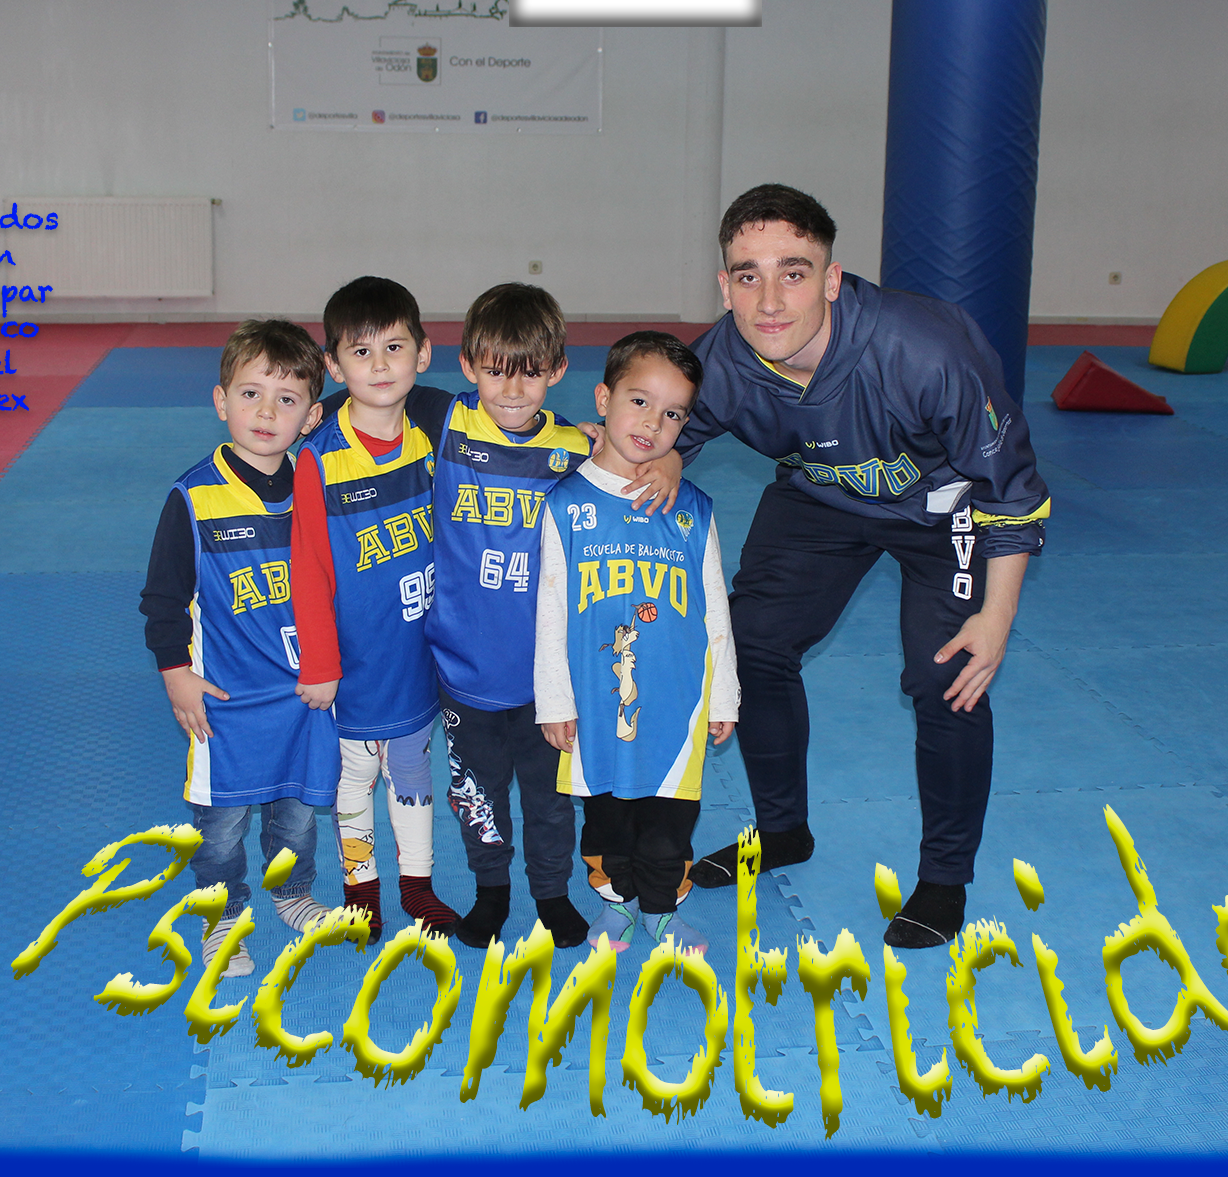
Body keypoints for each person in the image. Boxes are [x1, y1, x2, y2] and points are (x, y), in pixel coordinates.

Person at [658, 184, 1051, 949]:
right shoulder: (721, 360)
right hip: (823, 496)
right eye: (748, 276)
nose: (771, 300)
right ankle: (781, 831)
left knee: (947, 674)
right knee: (752, 641)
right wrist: (667, 457)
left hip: (946, 505)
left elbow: (1012, 489)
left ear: (832, 279)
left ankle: (944, 877)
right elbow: (662, 432)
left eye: (794, 272)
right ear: (725, 286)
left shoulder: (922, 352)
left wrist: (997, 615)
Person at [138, 319, 342, 980]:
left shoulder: (318, 489)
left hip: (305, 697)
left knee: (299, 813)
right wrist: (176, 674)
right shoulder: (193, 497)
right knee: (221, 824)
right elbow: (163, 599)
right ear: (221, 400)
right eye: (251, 394)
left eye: (287, 399)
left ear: (311, 417)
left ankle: (293, 892)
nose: (267, 413)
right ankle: (222, 911)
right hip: (225, 702)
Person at [535, 332, 739, 955]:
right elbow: (550, 612)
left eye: (673, 413)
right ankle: (616, 904)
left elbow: (716, 611)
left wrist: (724, 696)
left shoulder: (693, 509)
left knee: (670, 818)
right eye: (640, 401)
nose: (653, 423)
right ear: (604, 399)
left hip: (678, 704)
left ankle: (662, 911)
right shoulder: (566, 505)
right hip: (595, 705)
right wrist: (554, 700)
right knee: (606, 816)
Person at [290, 277, 462, 941]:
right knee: (352, 783)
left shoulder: (433, 440)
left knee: (414, 775)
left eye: (394, 347)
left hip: (417, 654)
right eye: (360, 352)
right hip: (352, 663)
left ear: (423, 353)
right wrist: (321, 665)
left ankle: (418, 886)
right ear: (334, 367)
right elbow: (308, 571)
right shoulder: (319, 458)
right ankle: (361, 891)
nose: (381, 365)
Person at [426, 284, 596, 950]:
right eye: (496, 370)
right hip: (463, 667)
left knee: (550, 797)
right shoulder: (444, 425)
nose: (513, 389)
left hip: (547, 677)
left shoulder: (577, 452)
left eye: (531, 371)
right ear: (468, 365)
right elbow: (364, 400)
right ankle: (490, 890)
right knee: (477, 792)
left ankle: (552, 891)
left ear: (557, 370)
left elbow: (652, 450)